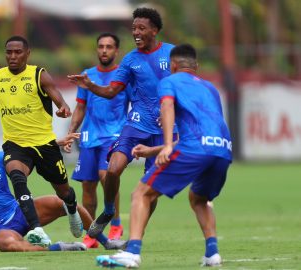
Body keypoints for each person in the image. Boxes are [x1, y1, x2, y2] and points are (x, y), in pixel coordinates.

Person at [96, 44, 233, 268]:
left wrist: (167, 144)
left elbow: (167, 106)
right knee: (199, 199)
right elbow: (206, 130)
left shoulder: (168, 81)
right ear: (196, 66)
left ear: (173, 66)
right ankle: (212, 253)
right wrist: (151, 151)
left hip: (193, 149)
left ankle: (131, 253)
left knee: (141, 193)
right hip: (223, 149)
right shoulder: (211, 88)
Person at [0, 35, 82, 247]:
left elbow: (56, 95)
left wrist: (63, 106)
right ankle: (37, 229)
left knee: (64, 191)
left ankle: (71, 209)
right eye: (9, 52)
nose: (12, 56)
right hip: (15, 144)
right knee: (16, 176)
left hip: (45, 145)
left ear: (27, 54)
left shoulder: (38, 75)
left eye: (17, 52)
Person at [68, 7, 177, 238]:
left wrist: (173, 109)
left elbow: (185, 85)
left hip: (165, 130)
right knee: (113, 169)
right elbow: (110, 91)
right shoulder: (129, 60)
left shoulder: (172, 54)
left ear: (154, 30)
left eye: (141, 28)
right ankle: (108, 211)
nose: (136, 32)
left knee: (150, 188)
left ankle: (138, 234)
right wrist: (91, 86)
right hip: (136, 124)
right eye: (134, 28)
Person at [0, 134, 127, 253]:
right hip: (0, 229)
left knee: (64, 201)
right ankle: (59, 248)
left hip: (21, 212)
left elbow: (27, 148)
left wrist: (57, 142)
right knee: (5, 244)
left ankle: (106, 241)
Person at [65, 33, 130, 247]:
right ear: (97, 49)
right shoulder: (87, 75)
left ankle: (116, 225)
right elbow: (81, 107)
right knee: (88, 187)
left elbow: (136, 103)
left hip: (113, 135)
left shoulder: (124, 75)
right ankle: (92, 234)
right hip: (89, 137)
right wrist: (71, 131)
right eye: (101, 46)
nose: (104, 50)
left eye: (109, 47)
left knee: (107, 176)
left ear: (116, 51)